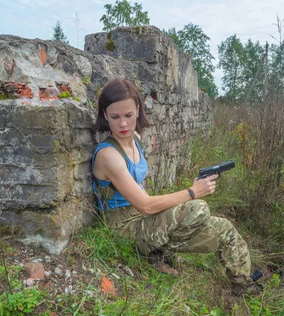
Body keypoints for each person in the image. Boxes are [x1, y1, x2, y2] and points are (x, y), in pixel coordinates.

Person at [91, 78, 259, 296]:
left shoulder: (136, 141)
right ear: (105, 115)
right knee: (197, 208)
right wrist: (192, 192)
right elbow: (145, 206)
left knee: (223, 228)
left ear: (138, 110)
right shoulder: (108, 155)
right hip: (122, 228)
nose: (123, 124)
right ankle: (154, 253)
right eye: (115, 117)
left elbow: (143, 192)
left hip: (143, 221)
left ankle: (243, 285)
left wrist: (168, 218)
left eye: (128, 116)